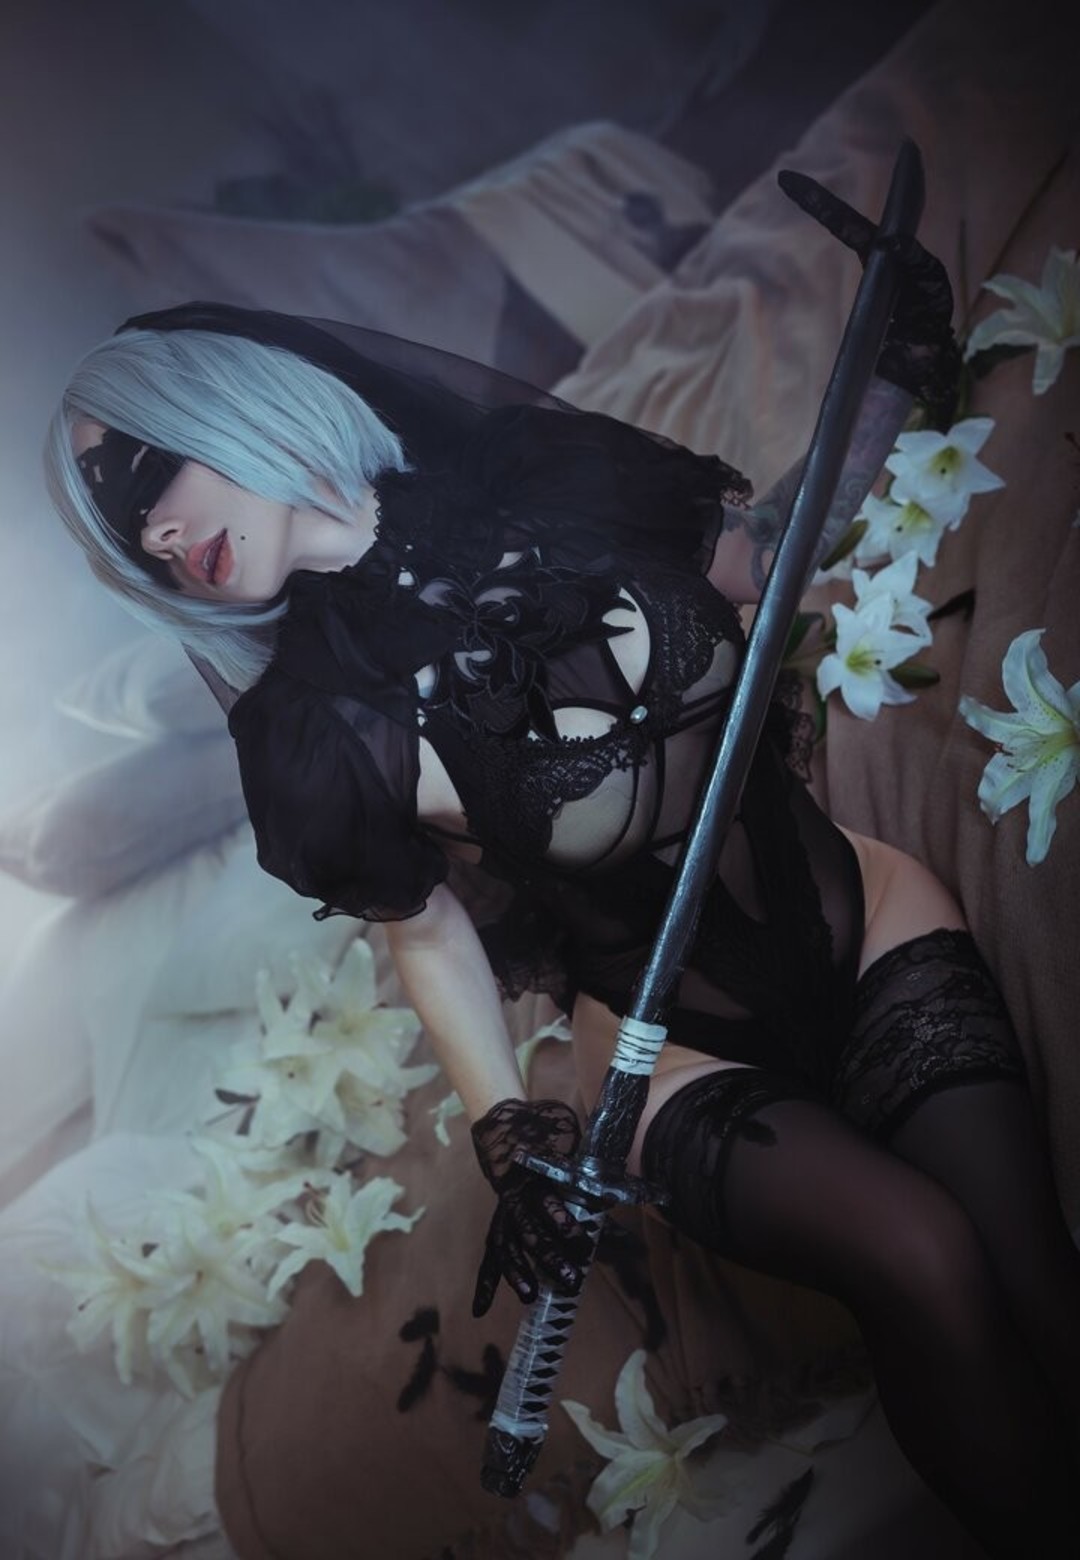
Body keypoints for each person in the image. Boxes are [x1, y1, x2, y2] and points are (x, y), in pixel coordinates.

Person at [45, 174, 1079, 1558]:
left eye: (142, 476)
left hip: (870, 917)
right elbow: (423, 930)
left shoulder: (542, 478)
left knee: (1037, 1279)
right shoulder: (313, 734)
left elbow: (767, 558)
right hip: (677, 1057)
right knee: (924, 1257)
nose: (159, 536)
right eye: (128, 535)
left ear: (228, 400)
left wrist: (897, 370)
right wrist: (505, 1134)